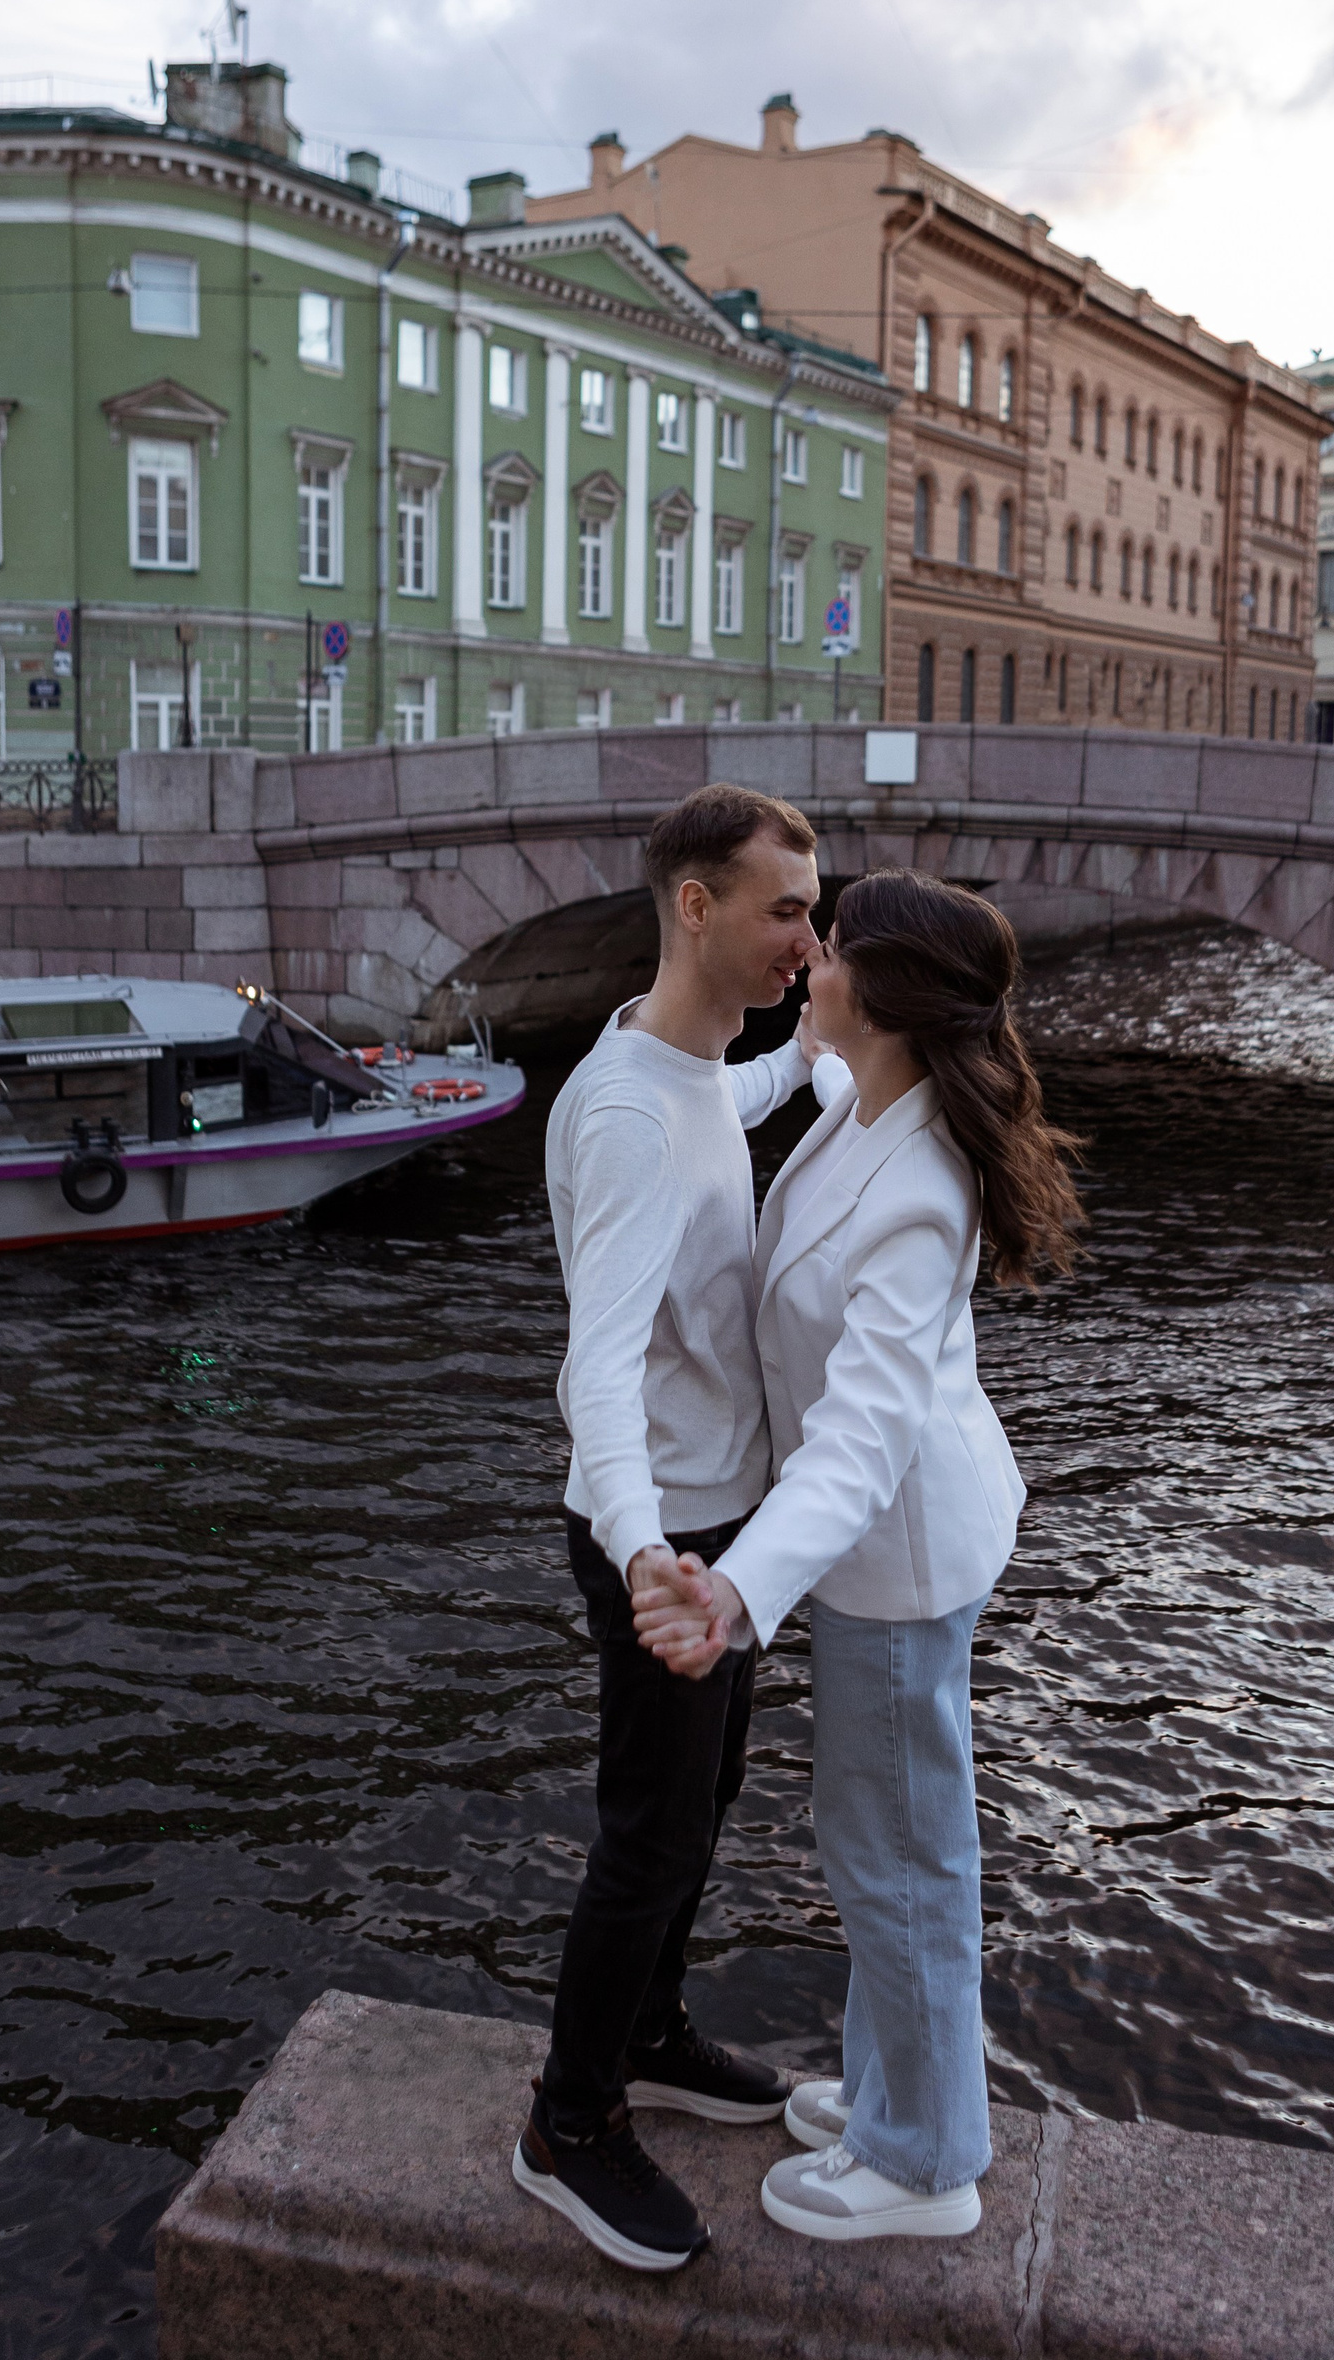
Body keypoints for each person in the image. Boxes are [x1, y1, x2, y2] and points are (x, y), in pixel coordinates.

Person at [634, 865, 1081, 2244]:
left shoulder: (921, 1190)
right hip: (886, 1546)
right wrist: (669, 1060)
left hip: (896, 1555)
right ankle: (897, 2091)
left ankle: (925, 2160)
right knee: (888, 1835)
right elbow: (810, 1084)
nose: (807, 966)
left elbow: (860, 1442)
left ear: (879, 996)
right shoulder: (876, 1096)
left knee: (898, 1855)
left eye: (827, 951)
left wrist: (737, 1591)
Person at [513, 782, 842, 2275]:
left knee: (699, 1808)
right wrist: (648, 1552)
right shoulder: (634, 1117)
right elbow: (597, 1365)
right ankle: (569, 2123)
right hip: (670, 1540)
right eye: (787, 912)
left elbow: (731, 1107)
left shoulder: (686, 1069)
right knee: (650, 1836)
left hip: (716, 1522)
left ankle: (646, 2033)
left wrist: (808, 1069)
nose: (809, 941)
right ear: (696, 907)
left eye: (814, 914)